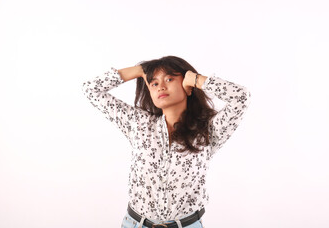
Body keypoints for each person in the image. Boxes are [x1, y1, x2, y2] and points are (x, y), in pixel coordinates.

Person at [82, 56, 251, 228]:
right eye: (154, 83)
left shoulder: (207, 130)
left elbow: (241, 98)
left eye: (170, 79)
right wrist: (140, 70)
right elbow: (91, 89)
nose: (161, 86)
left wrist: (196, 79)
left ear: (188, 86)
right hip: (136, 224)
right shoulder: (138, 123)